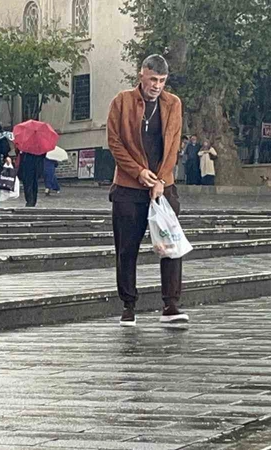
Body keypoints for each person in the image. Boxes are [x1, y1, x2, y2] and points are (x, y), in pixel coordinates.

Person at [107, 54, 189, 327]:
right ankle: (128, 305)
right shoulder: (122, 101)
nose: (157, 85)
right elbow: (115, 143)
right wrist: (139, 172)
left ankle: (171, 304)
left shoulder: (173, 103)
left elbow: (174, 145)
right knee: (126, 248)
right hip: (128, 187)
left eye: (162, 80)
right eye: (153, 79)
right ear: (141, 75)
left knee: (170, 245)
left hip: (163, 186)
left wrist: (160, 181)